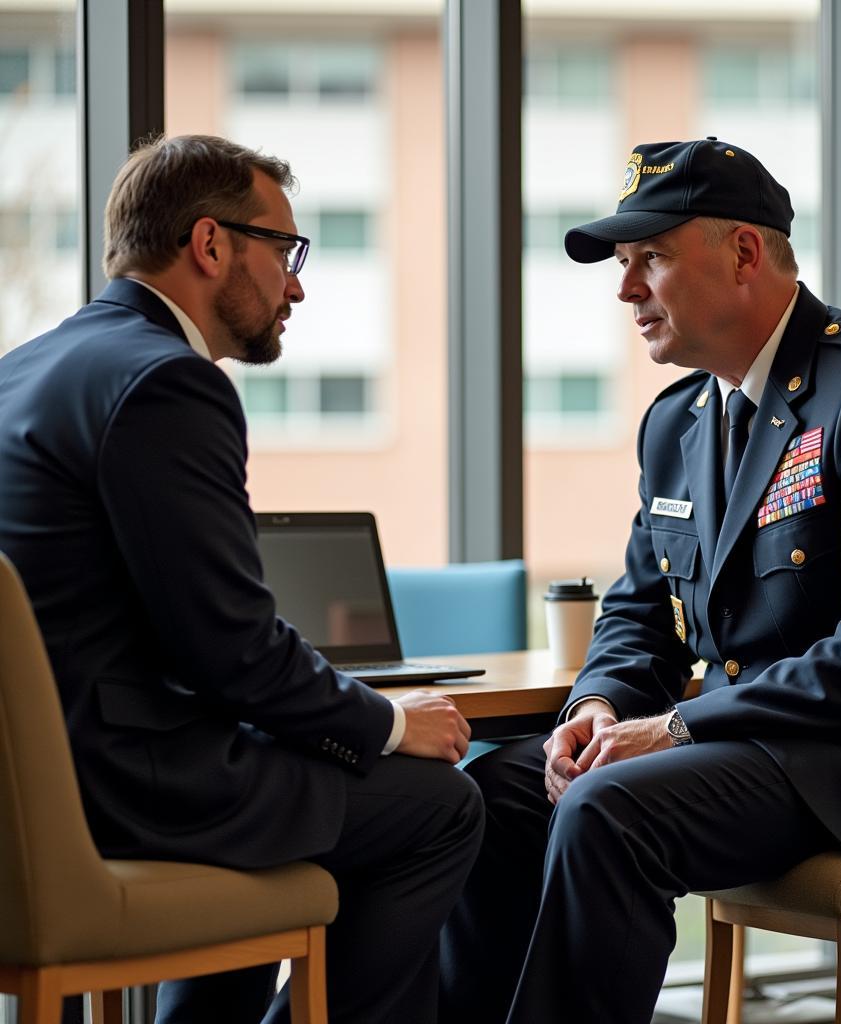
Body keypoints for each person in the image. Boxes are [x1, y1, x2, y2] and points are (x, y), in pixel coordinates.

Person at [439, 138, 841, 1024]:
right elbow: (640, 612)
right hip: (760, 747)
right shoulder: (677, 422)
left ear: (744, 254)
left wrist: (674, 724)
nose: (627, 290)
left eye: (651, 259)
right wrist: (596, 707)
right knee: (496, 794)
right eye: (624, 265)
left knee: (607, 811)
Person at [0, 134, 483, 1024]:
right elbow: (233, 651)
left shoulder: (21, 373)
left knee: (291, 780)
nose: (296, 285)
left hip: (32, 791)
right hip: (124, 788)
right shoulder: (165, 384)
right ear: (211, 245)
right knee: (439, 805)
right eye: (287, 251)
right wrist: (385, 722)